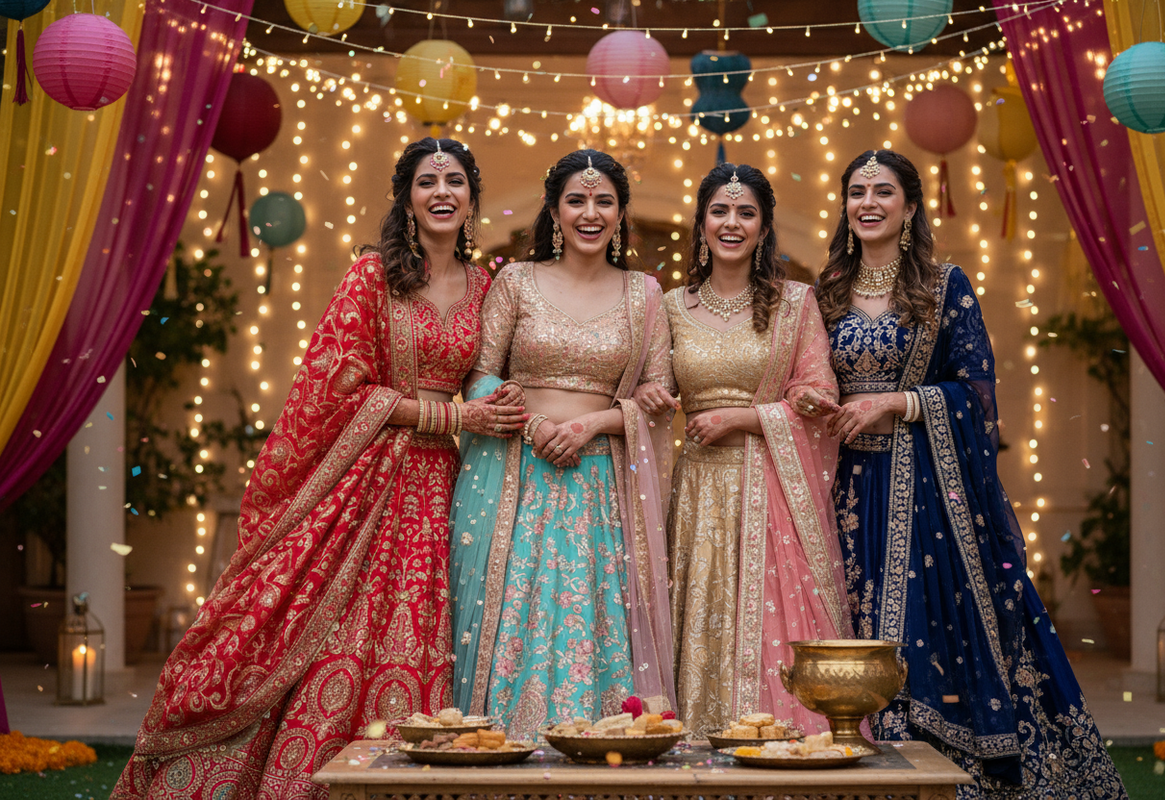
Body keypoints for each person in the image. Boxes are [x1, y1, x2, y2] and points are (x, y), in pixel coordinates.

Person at [113, 138, 526, 799]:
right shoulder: (372, 277)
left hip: (448, 486)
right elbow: (338, 384)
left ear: (472, 197)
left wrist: (502, 402)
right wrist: (452, 419)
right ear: (408, 199)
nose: (442, 192)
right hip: (367, 484)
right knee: (333, 629)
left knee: (430, 630)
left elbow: (494, 372)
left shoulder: (490, 286)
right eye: (427, 182)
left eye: (455, 180)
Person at [816, 149, 1127, 798]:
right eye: (856, 192)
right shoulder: (825, 293)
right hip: (844, 490)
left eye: (883, 191)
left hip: (928, 499)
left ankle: (942, 776)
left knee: (925, 633)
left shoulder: (942, 285)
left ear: (909, 206)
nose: (868, 203)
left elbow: (976, 394)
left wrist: (898, 403)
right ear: (844, 206)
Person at [449, 149, 676, 739]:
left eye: (604, 201)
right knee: (509, 624)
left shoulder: (644, 293)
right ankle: (497, 753)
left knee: (591, 623)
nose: (590, 213)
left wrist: (593, 424)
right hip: (515, 476)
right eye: (576, 200)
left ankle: (601, 761)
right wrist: (532, 425)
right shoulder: (516, 281)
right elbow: (478, 375)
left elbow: (657, 393)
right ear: (554, 210)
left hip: (600, 485)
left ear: (621, 214)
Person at [635, 164, 851, 735]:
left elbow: (820, 393)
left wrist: (748, 417)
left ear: (763, 228)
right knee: (702, 613)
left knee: (766, 621)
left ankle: (771, 740)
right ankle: (698, 746)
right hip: (698, 488)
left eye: (746, 213)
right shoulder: (670, 305)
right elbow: (655, 384)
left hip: (771, 487)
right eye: (720, 211)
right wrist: (651, 391)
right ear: (702, 223)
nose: (732, 223)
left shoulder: (796, 302)